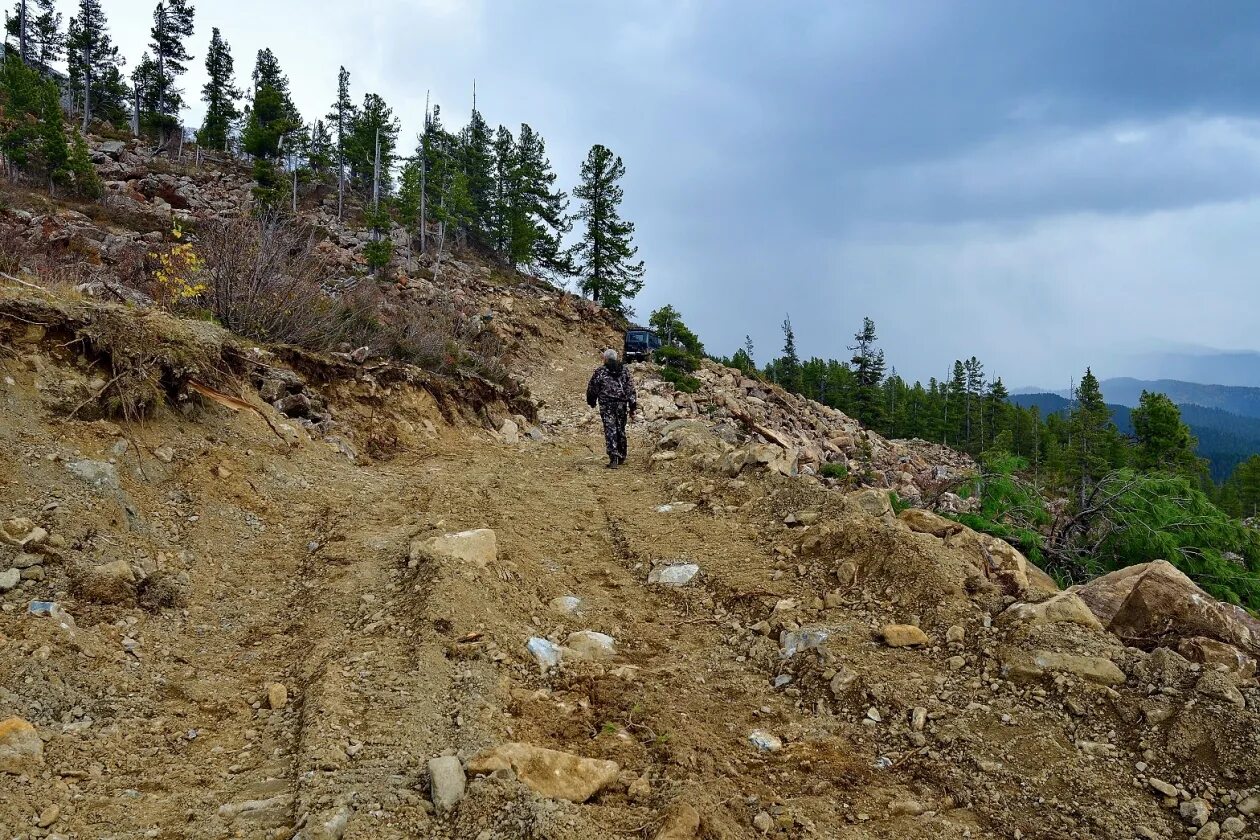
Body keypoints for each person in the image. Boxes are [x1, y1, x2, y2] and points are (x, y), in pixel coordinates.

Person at [586, 348, 637, 468]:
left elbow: (593, 388)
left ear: (605, 359)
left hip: (606, 405)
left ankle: (614, 457)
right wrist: (632, 406)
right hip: (621, 405)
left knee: (610, 430)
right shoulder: (624, 371)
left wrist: (591, 401)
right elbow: (630, 389)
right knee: (620, 429)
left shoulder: (600, 371)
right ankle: (622, 455)